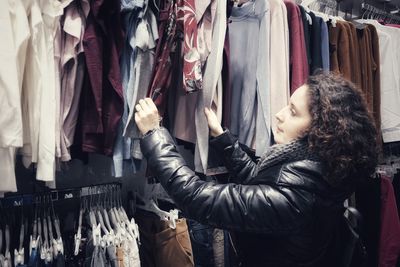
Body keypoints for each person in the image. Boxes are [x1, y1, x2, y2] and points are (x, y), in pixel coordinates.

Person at [134, 72, 378, 266]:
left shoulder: (296, 201)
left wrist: (155, 134)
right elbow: (260, 184)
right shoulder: (318, 174)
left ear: (320, 133)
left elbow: (196, 197)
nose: (280, 115)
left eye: (293, 112)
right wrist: (223, 140)